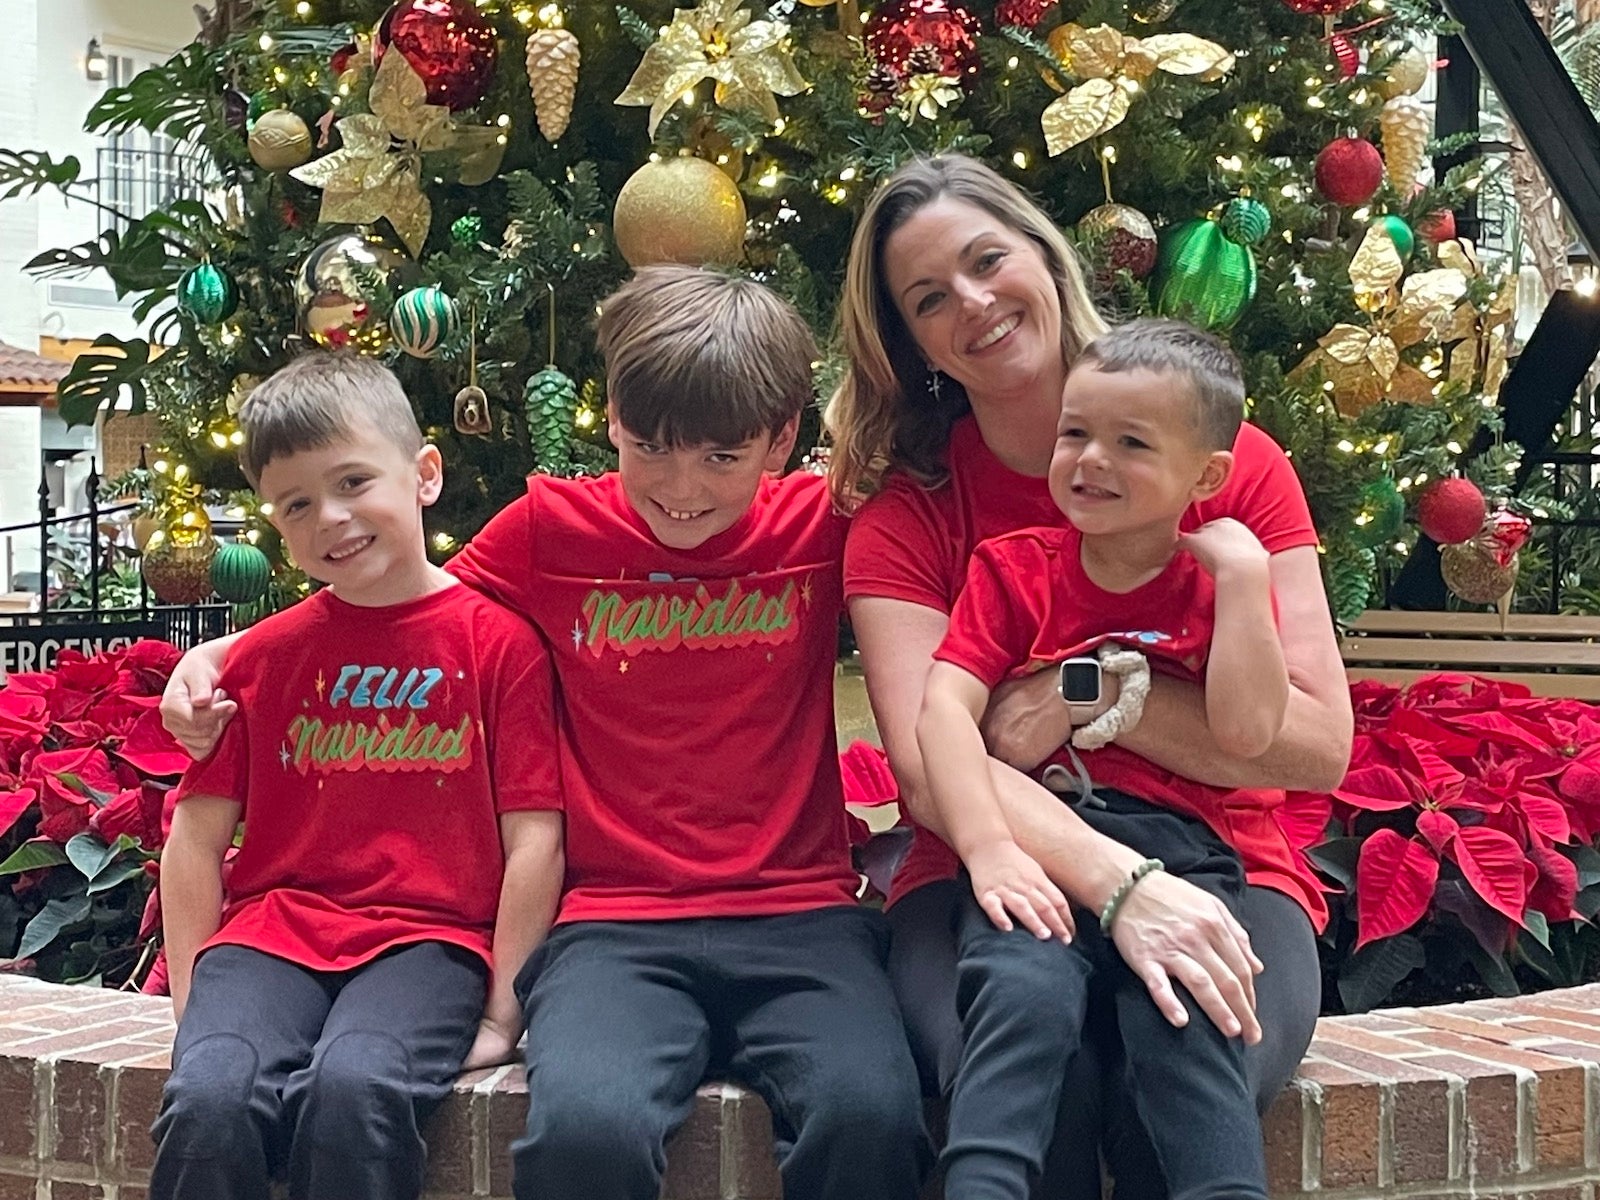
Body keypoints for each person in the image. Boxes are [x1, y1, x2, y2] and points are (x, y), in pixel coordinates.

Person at [161, 266, 929, 1200]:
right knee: (583, 1133)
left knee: (876, 1116)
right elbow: (395, 601)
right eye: (650, 447)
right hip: (612, 925)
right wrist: (224, 656)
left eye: (722, 457)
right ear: (609, 420)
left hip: (801, 916)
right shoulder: (550, 531)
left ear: (780, 439)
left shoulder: (825, 522)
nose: (682, 488)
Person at [830, 154, 1352, 1197]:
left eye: (988, 261)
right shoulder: (910, 519)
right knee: (1038, 1074)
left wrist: (1096, 693)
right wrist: (1121, 890)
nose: (972, 303)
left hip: (1230, 864)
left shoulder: (1227, 463)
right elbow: (939, 771)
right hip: (988, 879)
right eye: (930, 298)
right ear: (911, 342)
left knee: (1182, 1080)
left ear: (1044, 257)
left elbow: (1313, 743)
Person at [919, 319, 1325, 1200]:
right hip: (1040, 850)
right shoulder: (1013, 570)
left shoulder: (1213, 586)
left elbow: (1253, 735)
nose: (1090, 459)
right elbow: (945, 712)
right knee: (1020, 998)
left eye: (1130, 442)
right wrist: (988, 847)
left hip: (1187, 855)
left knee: (1186, 1021)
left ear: (1207, 476)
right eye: (1076, 432)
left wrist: (1248, 586)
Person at [153, 352, 564, 1200]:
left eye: (351, 481)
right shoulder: (264, 659)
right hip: (270, 938)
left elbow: (536, 843)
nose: (330, 519)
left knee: (354, 1090)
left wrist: (501, 1009)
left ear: (424, 475)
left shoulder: (500, 649)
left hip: (430, 944)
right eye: (297, 504)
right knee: (209, 1096)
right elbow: (194, 840)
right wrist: (193, 999)